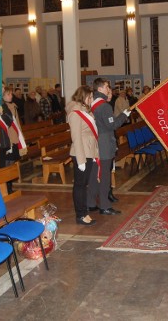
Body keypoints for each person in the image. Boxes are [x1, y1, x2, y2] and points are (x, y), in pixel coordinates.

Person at [90, 78, 130, 214]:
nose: (109, 89)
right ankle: (104, 206)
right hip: (105, 144)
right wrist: (124, 115)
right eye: (107, 86)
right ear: (100, 89)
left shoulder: (92, 103)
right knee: (105, 176)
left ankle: (90, 202)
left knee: (95, 174)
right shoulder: (105, 106)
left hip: (95, 143)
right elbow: (112, 125)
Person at [66, 85, 98, 226]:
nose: (92, 99)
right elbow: (76, 137)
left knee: (84, 184)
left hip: (88, 151)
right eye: (90, 97)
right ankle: (80, 215)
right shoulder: (75, 113)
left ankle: (85, 212)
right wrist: (81, 160)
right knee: (79, 185)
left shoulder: (86, 111)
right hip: (81, 154)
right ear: (83, 97)